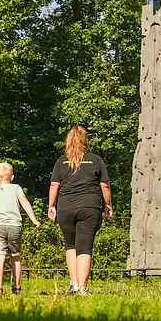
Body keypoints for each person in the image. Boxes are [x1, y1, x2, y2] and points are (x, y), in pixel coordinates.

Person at [47, 126, 113, 296]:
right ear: (85, 140)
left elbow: (54, 185)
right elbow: (104, 185)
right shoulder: (95, 160)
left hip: (65, 207)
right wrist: (108, 204)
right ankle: (83, 289)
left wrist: (51, 206)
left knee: (70, 245)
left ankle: (74, 284)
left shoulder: (62, 161)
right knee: (84, 247)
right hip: (89, 206)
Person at [0, 163, 41, 295]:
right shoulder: (16, 188)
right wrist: (34, 220)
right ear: (12, 177)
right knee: (15, 257)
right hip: (14, 227)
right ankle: (17, 287)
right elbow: (25, 204)